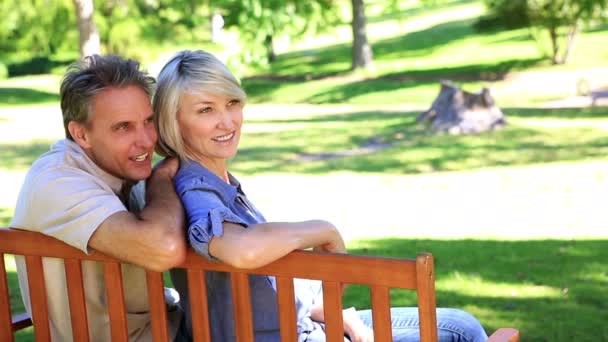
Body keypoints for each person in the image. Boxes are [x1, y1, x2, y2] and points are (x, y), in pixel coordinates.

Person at [154, 49, 489, 342]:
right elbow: (242, 249)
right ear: (174, 121)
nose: (226, 121)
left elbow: (257, 290)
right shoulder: (196, 189)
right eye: (205, 110)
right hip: (292, 335)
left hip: (298, 323)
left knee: (461, 323)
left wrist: (330, 312)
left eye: (231, 103)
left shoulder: (210, 181)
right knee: (463, 332)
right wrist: (323, 229)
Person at [10, 55, 189, 341]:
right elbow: (164, 248)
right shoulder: (56, 181)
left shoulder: (118, 170)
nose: (146, 140)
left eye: (148, 121)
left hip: (165, 325)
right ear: (81, 134)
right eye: (123, 127)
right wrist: (162, 178)